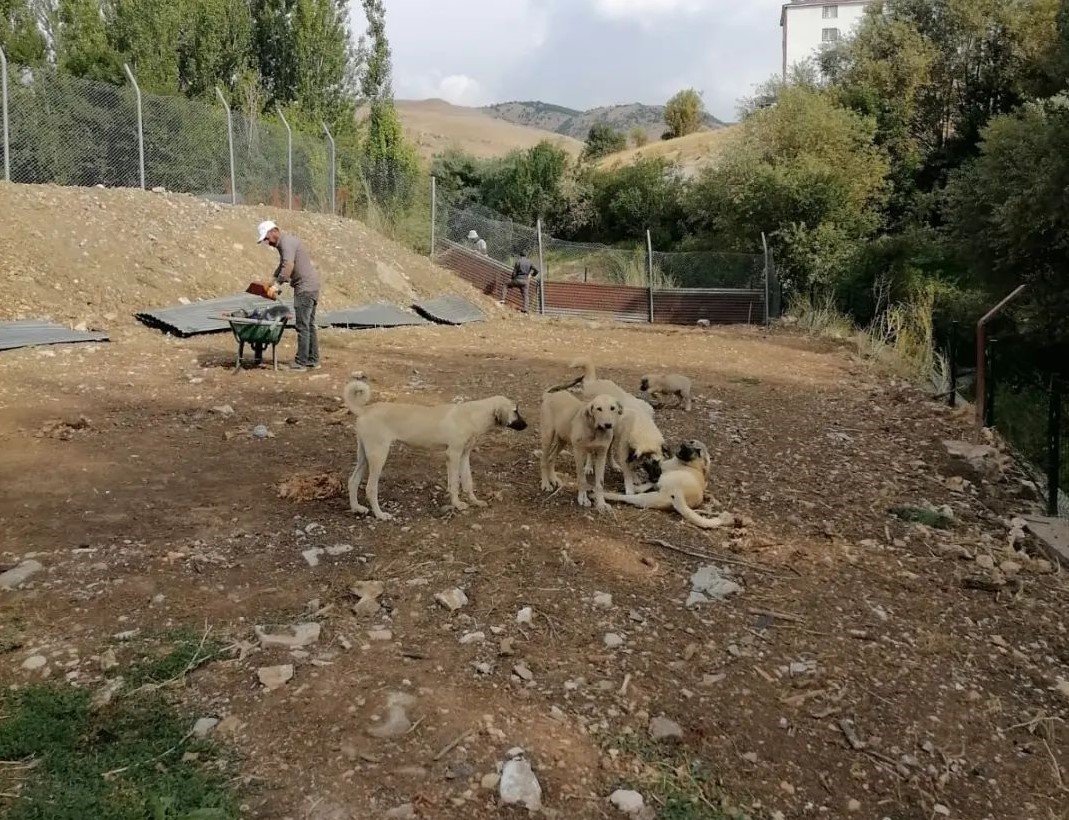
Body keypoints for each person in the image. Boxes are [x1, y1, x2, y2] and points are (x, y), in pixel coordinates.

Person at [257, 220, 321, 372]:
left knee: (302, 326)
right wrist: (272, 280)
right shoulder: (285, 243)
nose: (267, 243)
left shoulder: (285, 243)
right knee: (309, 325)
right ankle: (313, 359)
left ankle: (301, 362)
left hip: (304, 289)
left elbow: (288, 265)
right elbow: (282, 264)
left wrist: (277, 284)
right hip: (312, 286)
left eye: (266, 238)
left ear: (274, 231)